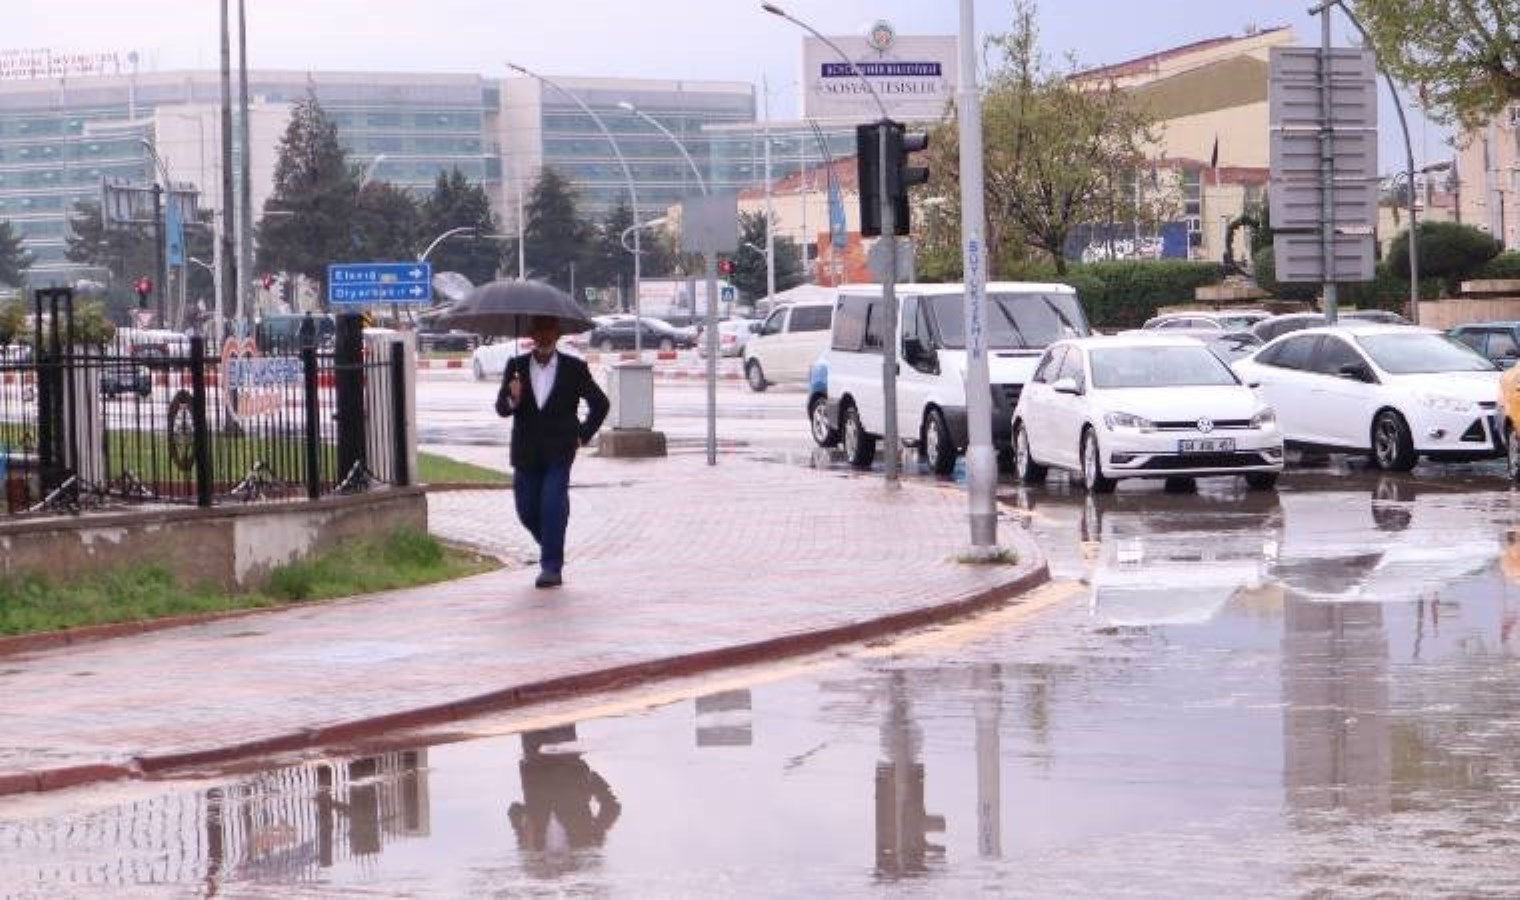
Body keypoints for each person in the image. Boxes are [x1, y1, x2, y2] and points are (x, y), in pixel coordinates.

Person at [496, 315, 609, 588]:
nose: (544, 337)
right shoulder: (516, 366)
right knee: (526, 510)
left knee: (551, 504)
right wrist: (513, 398)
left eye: (550, 332)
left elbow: (601, 404)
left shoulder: (574, 368)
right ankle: (552, 542)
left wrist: (582, 434)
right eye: (539, 332)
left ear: (557, 335)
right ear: (532, 335)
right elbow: (501, 408)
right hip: (525, 452)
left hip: (560, 450)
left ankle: (551, 567)